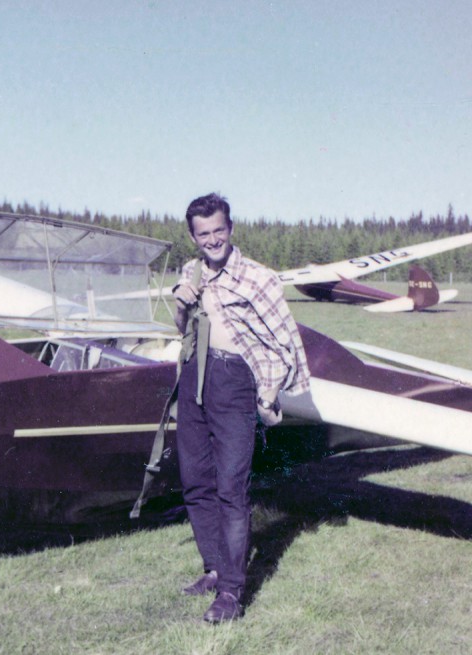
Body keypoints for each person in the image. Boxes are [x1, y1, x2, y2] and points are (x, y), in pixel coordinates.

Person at [172, 192, 310, 623]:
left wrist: (267, 392)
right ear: (193, 237)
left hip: (233, 382)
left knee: (232, 489)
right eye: (203, 234)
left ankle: (231, 593)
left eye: (218, 230)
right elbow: (183, 330)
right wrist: (181, 299)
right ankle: (213, 570)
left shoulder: (259, 278)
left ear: (230, 229)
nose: (212, 239)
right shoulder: (191, 271)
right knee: (195, 480)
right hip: (194, 376)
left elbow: (288, 342)